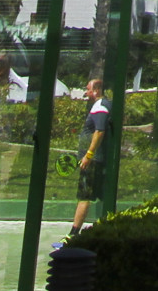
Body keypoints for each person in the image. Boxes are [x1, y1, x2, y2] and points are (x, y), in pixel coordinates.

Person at [70, 77, 112, 234]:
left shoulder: (101, 106)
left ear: (97, 90)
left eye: (88, 89)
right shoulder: (100, 105)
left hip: (93, 161)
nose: (86, 93)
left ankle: (73, 235)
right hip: (93, 160)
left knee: (84, 196)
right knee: (94, 195)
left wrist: (88, 155)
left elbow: (99, 131)